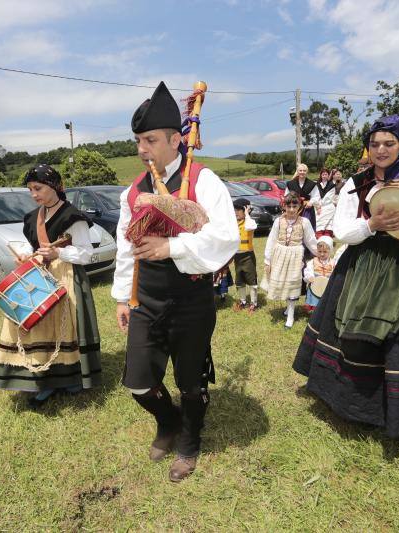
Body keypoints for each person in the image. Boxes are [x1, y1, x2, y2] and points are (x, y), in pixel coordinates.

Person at [293, 114, 399, 467]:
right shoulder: (355, 182)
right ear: (367, 148)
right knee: (358, 336)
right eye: (374, 144)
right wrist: (372, 224)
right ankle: (357, 405)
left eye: (389, 143)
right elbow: (342, 231)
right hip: (366, 267)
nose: (380, 150)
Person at [111, 81, 239, 482]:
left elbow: (225, 238)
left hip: (190, 299)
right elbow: (124, 246)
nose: (142, 149)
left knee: (189, 380)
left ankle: (188, 440)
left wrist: (171, 248)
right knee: (137, 382)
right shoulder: (133, 191)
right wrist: (120, 297)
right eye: (138, 141)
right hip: (146, 298)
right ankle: (168, 422)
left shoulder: (203, 180)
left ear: (175, 138)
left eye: (149, 140)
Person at [0, 165, 102, 407]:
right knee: (37, 326)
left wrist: (59, 252)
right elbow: (35, 249)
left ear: (55, 186)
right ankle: (45, 381)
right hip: (39, 276)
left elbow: (85, 254)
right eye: (31, 189)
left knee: (65, 329)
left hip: (67, 275)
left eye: (38, 188)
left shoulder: (73, 216)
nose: (34, 194)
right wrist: (26, 257)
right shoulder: (32, 218)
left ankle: (71, 378)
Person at [264, 191, 318, 329]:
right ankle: (289, 308)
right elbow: (271, 240)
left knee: (293, 282)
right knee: (283, 282)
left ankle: (291, 315)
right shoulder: (278, 221)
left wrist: (319, 253)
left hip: (295, 255)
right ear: (284, 207)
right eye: (289, 207)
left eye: (295, 206)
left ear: (299, 207)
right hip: (280, 254)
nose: (292, 210)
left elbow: (310, 240)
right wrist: (267, 260)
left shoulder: (304, 222)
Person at [231, 198, 259, 312]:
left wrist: (247, 214)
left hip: (248, 256)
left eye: (239, 209)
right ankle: (243, 301)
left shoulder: (249, 222)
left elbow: (250, 227)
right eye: (235, 209)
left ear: (246, 210)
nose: (236, 212)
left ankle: (254, 303)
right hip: (237, 257)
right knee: (240, 280)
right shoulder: (233, 223)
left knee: (251, 280)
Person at [303, 236, 334, 312]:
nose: (322, 254)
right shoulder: (313, 262)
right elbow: (308, 271)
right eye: (320, 252)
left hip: (327, 286)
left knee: (326, 303)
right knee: (315, 301)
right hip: (315, 286)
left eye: (325, 252)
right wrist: (310, 276)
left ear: (330, 251)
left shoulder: (333, 262)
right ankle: (314, 313)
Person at [286, 163, 321, 229]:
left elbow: (316, 196)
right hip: (293, 209)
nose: (302, 172)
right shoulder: (290, 183)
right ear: (297, 171)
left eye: (304, 171)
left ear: (307, 172)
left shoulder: (312, 184)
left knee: (306, 227)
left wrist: (311, 202)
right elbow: (286, 196)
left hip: (307, 209)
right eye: (300, 170)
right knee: (294, 227)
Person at [315, 168, 343, 238]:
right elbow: (315, 196)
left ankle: (328, 238)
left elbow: (332, 196)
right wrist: (317, 206)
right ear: (321, 175)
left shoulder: (332, 184)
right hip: (319, 208)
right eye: (323, 174)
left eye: (326, 174)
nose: (324, 176)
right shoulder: (317, 184)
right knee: (319, 223)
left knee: (329, 225)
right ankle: (320, 238)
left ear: (328, 175)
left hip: (329, 208)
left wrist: (334, 172)